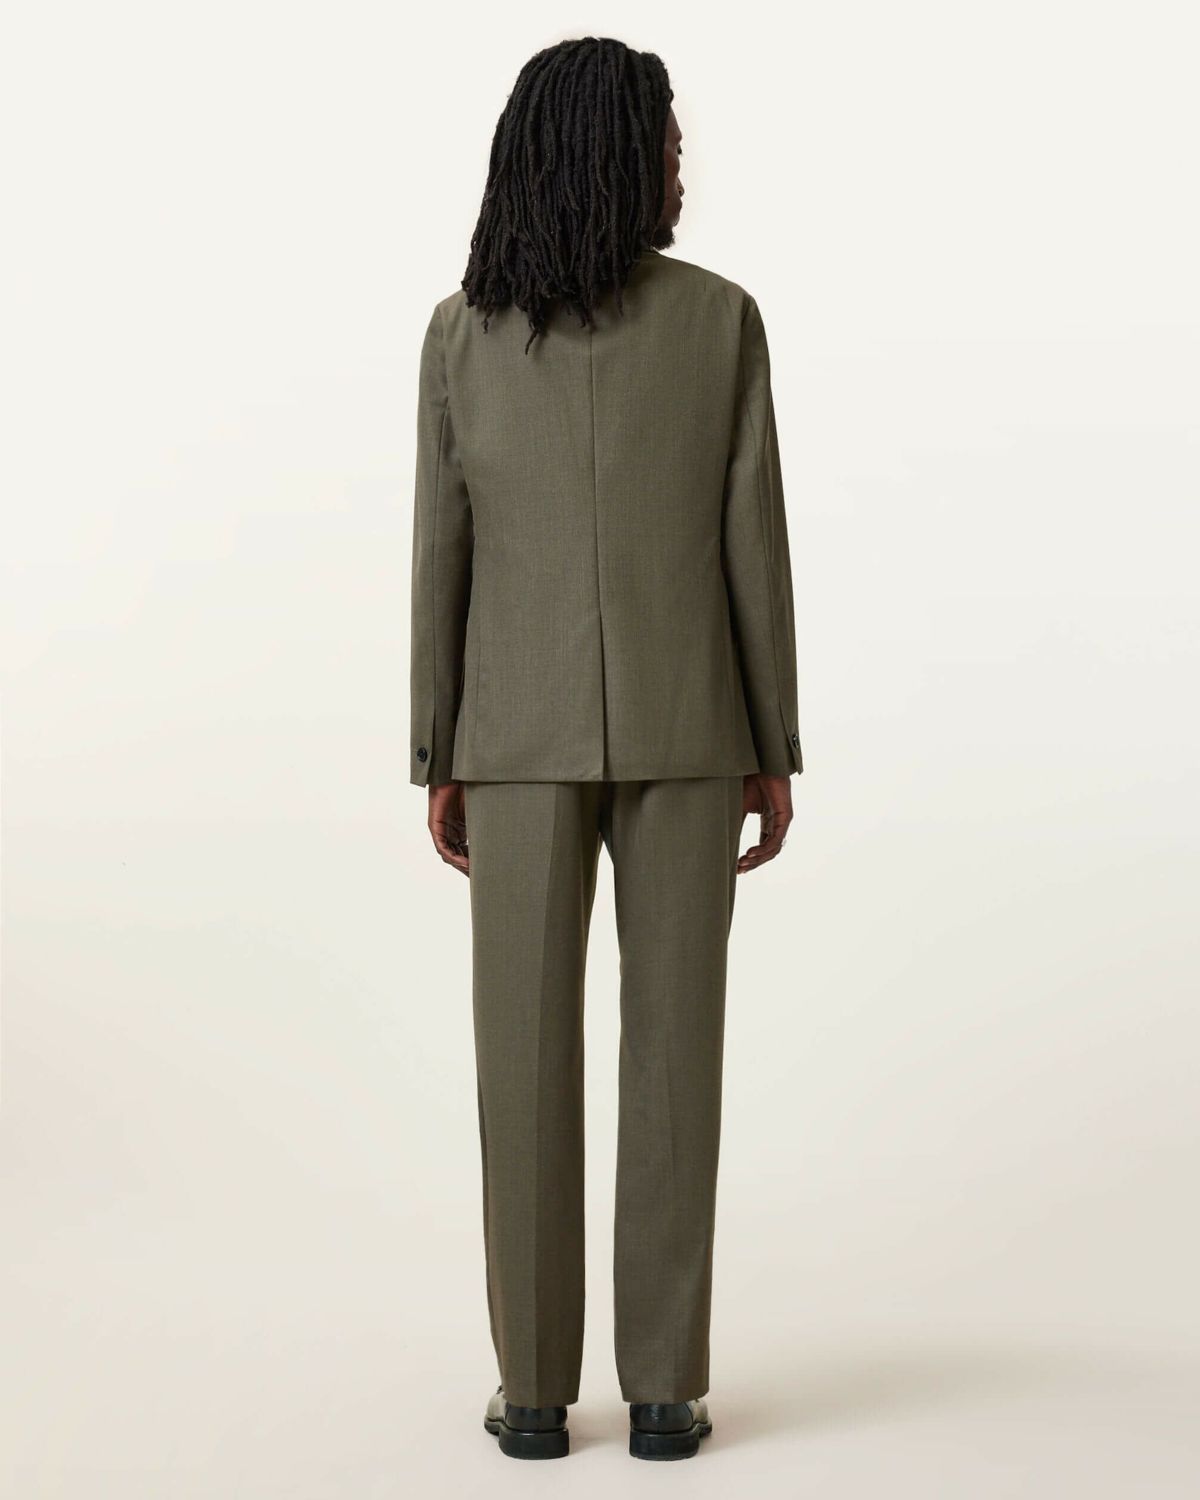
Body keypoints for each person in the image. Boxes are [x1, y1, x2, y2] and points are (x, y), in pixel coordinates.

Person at [409, 35, 803, 1461]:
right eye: (670, 142)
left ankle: (532, 1395)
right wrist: (772, 741)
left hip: (510, 734)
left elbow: (441, 557)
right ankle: (663, 1392)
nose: (682, 165)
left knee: (520, 1061)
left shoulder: (462, 334)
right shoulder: (721, 322)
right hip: (692, 725)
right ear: (624, 157)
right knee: (676, 1056)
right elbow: (751, 547)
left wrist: (438, 750)